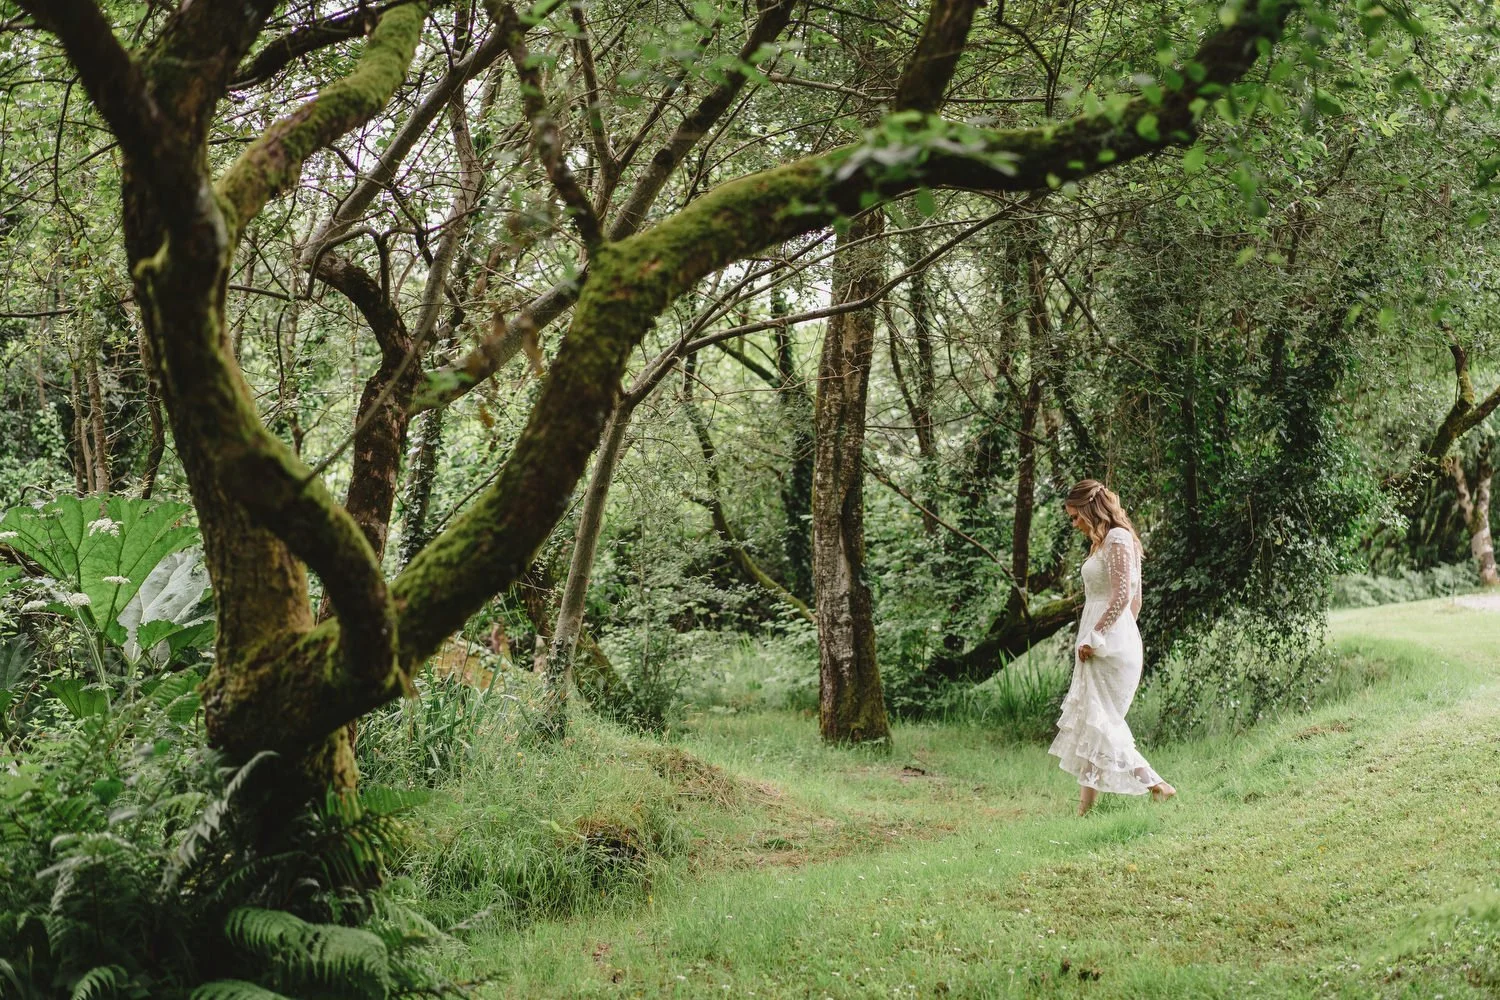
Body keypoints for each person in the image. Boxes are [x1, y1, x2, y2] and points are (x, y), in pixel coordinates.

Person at [1048, 479, 1176, 816]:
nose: (1074, 524)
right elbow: (1132, 599)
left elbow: (1125, 596)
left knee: (1101, 720)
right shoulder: (1101, 543)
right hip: (1099, 636)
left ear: (1090, 508)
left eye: (1075, 516)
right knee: (1094, 721)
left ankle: (1158, 785)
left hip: (1107, 642)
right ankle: (1085, 810)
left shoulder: (1118, 538)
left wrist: (1101, 637)